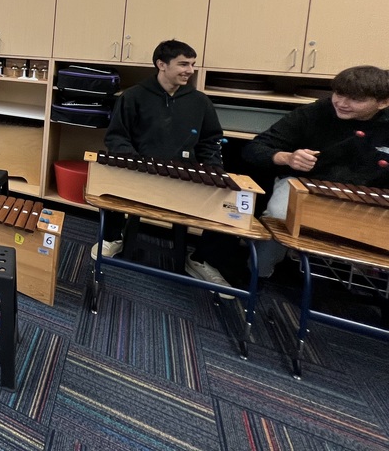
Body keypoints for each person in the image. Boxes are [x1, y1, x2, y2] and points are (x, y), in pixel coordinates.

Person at [96, 39, 235, 292]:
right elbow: (116, 137)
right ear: (161, 64)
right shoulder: (133, 96)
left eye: (192, 64)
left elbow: (210, 142)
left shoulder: (200, 102)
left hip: (182, 177)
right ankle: (113, 237)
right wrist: (137, 165)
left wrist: (215, 172)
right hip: (140, 173)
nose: (190, 70)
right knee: (108, 175)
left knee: (231, 203)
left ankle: (201, 259)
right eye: (183, 64)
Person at [242, 65, 389, 277]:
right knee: (280, 215)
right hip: (306, 185)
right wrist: (288, 158)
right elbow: (255, 148)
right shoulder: (315, 113)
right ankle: (257, 276)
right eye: (338, 94)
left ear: (383, 102)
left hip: (368, 192)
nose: (342, 103)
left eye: (356, 100)